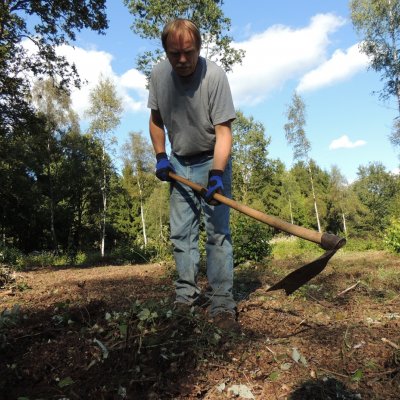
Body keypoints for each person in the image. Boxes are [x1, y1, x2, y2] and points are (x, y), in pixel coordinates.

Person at [147, 18, 238, 331]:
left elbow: (224, 133)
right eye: (175, 54)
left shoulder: (214, 76)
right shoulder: (159, 75)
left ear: (199, 48)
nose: (182, 60)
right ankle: (186, 298)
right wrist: (161, 157)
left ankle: (223, 304)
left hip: (213, 160)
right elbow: (156, 120)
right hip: (179, 164)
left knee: (217, 234)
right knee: (182, 234)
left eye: (189, 52)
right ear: (166, 52)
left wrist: (216, 174)